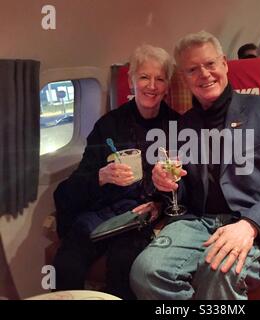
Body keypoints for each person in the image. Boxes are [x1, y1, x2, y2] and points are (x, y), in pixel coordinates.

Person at [130, 31, 260, 300]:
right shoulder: (182, 125)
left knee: (218, 270)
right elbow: (180, 193)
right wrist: (163, 185)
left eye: (210, 64)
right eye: (192, 69)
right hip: (196, 222)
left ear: (224, 63)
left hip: (250, 220)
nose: (204, 74)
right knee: (145, 272)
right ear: (184, 77)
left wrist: (250, 225)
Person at [52, 44, 179, 299]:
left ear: (167, 86)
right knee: (66, 263)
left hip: (138, 216)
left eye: (159, 79)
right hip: (102, 211)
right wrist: (101, 176)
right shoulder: (108, 125)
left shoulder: (177, 126)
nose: (151, 86)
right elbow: (77, 182)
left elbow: (185, 185)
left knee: (123, 264)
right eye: (144, 77)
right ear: (132, 80)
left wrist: (157, 205)